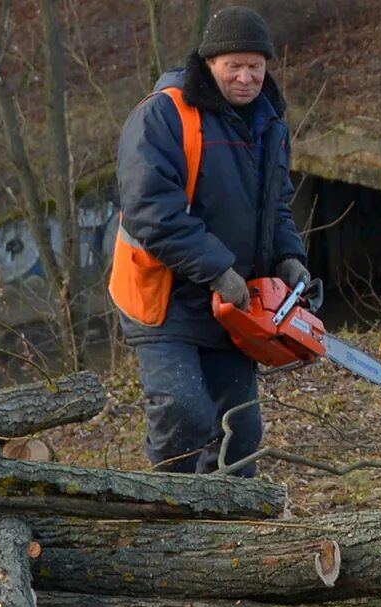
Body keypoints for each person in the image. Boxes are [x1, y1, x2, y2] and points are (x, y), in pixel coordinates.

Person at [108, 4, 310, 477]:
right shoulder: (166, 114)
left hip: (233, 304)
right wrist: (218, 268)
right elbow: (151, 212)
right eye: (233, 66)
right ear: (209, 63)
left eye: (255, 67)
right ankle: (170, 511)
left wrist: (288, 256)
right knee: (184, 413)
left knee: (240, 430)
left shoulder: (270, 124)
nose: (245, 77)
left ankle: (232, 524)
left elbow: (276, 206)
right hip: (163, 296)